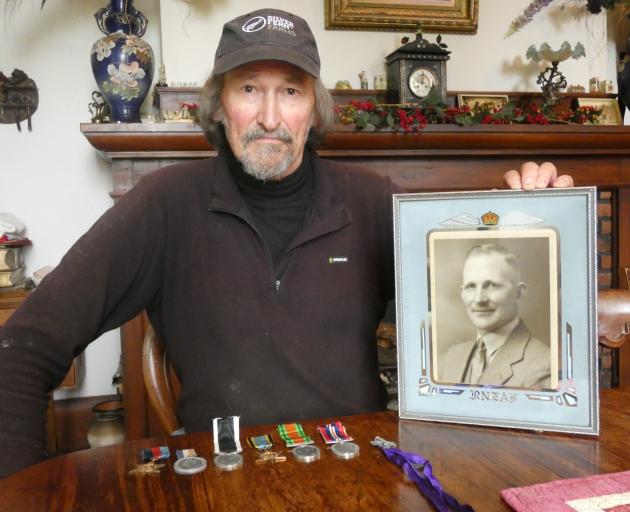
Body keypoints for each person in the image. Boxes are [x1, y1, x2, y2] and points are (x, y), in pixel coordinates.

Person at [0, 8, 572, 478]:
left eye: (291, 91)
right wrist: (23, 492)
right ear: (220, 106)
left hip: (361, 472)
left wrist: (530, 218)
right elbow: (23, 350)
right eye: (249, 88)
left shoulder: (373, 201)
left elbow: (478, 316)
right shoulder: (164, 204)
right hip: (223, 478)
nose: (270, 116)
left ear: (313, 109)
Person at [438, 244, 551, 388]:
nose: (479, 299)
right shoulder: (448, 359)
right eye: (471, 286)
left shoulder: (544, 365)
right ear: (462, 292)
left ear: (519, 293)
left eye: (491, 285)